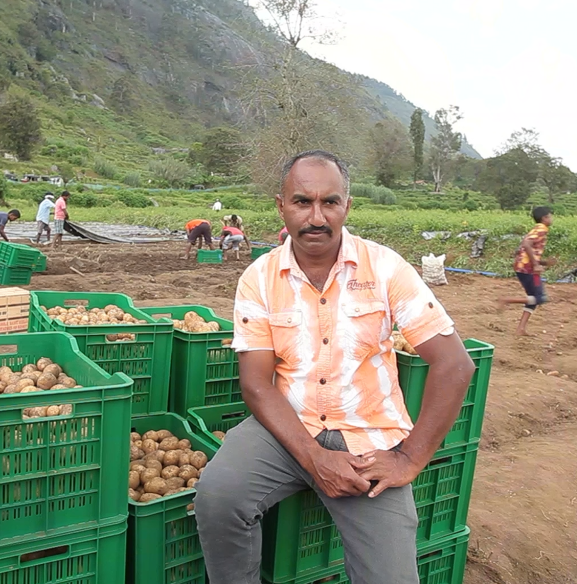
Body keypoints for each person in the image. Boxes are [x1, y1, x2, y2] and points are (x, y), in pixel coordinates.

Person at [195, 150, 476, 584]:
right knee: (218, 496)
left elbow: (455, 365)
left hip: (367, 434)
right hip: (289, 426)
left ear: (347, 206)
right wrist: (314, 458)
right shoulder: (259, 276)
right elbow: (256, 385)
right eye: (302, 202)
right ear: (281, 206)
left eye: (330, 202)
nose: (316, 217)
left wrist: (407, 460)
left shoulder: (385, 267)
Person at [500, 206, 555, 335]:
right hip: (528, 269)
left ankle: (521, 329)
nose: (552, 219)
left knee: (533, 298)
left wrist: (543, 262)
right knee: (539, 298)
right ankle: (507, 300)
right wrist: (536, 265)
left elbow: (526, 249)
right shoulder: (541, 229)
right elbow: (526, 244)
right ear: (544, 218)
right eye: (550, 216)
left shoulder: (537, 229)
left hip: (523, 267)